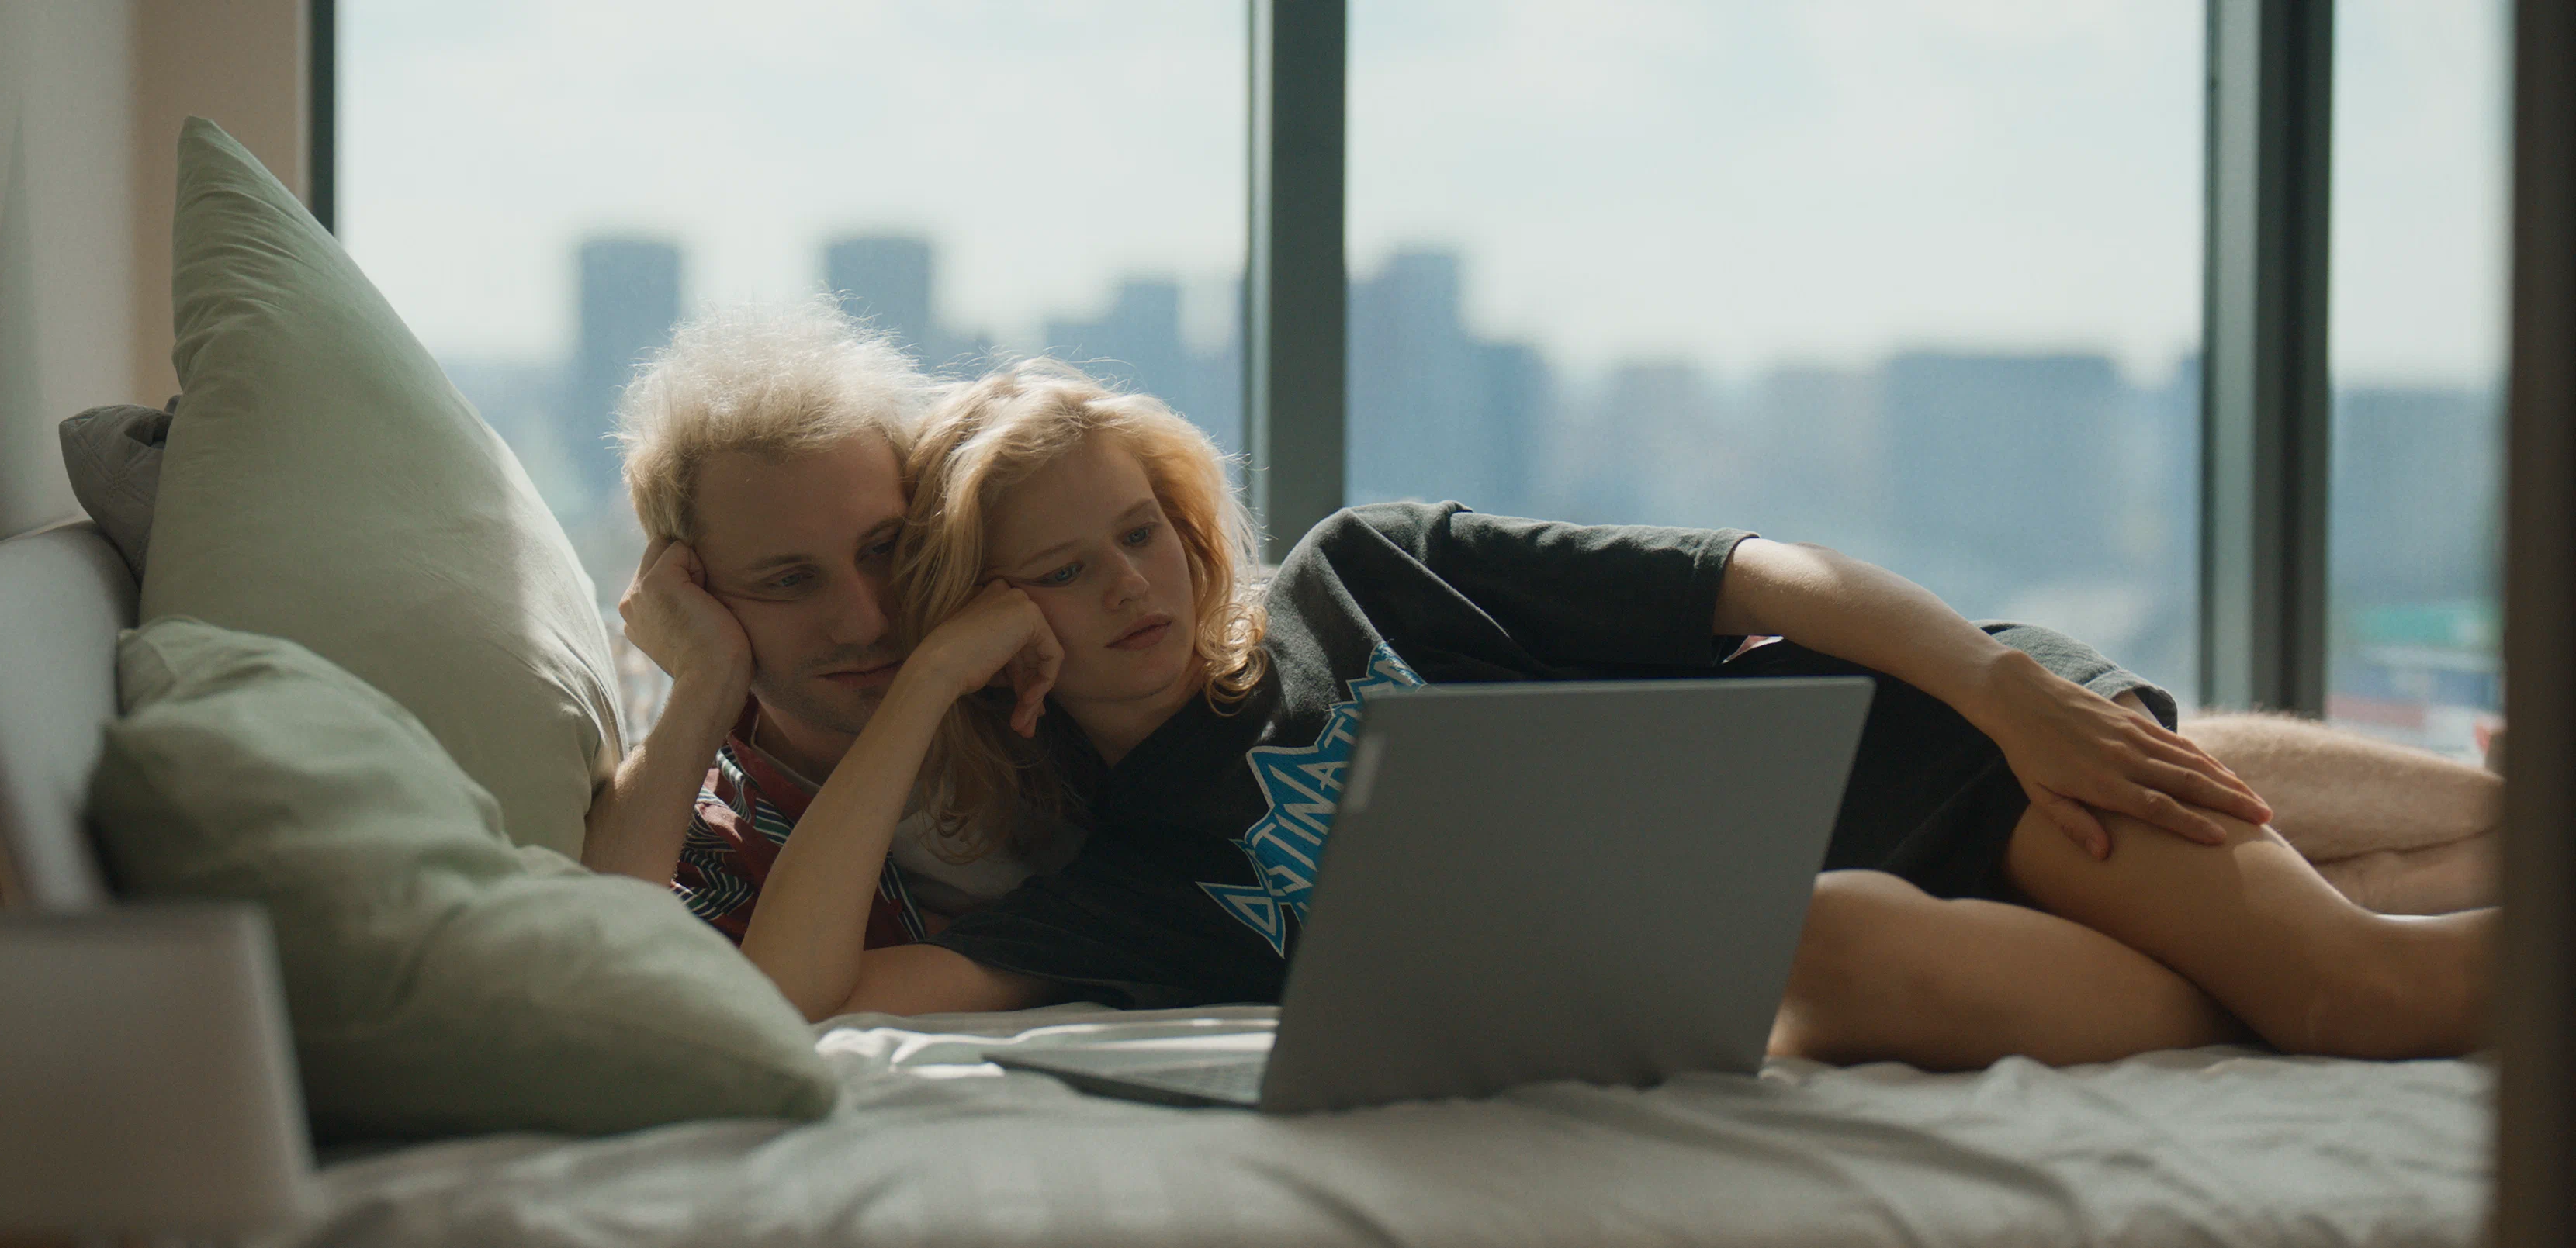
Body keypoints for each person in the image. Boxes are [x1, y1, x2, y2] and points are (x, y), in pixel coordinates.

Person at [729, 358, 2496, 1073]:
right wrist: (932, 679)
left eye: (1141, 526)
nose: (1133, 581)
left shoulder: (1365, 572)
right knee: (1822, 936)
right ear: (994, 615)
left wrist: (2002, 687)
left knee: (2360, 991)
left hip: (1959, 757)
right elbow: (803, 992)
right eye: (1060, 569)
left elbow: (1763, 575)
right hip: (1879, 938)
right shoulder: (1121, 880)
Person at [583, 304, 1082, 945]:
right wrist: (704, 681)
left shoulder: (1055, 696)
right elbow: (594, 955)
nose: (863, 621)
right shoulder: (708, 835)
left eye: (883, 548)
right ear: (696, 593)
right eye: (790, 580)